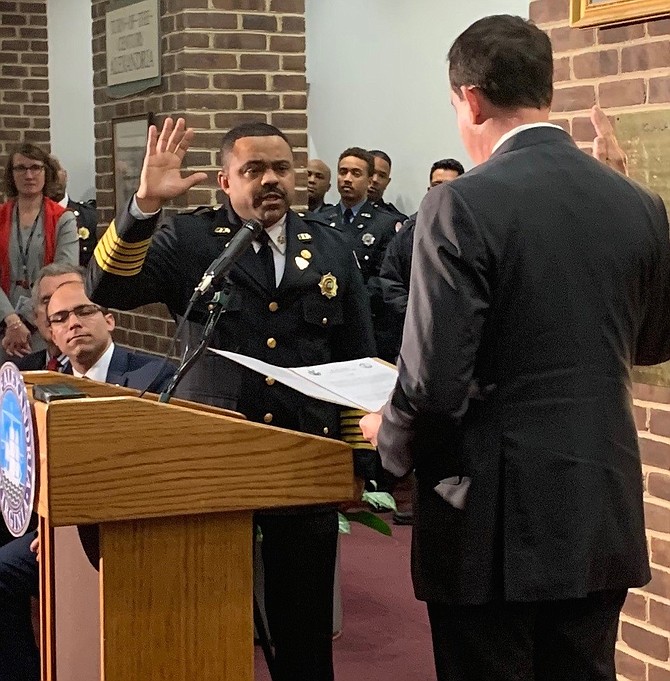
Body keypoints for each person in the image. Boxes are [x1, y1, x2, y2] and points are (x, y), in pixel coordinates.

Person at [360, 14, 670, 681]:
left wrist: (387, 442)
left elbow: (436, 382)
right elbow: (652, 342)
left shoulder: (460, 205)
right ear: (547, 93)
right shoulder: (638, 203)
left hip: (491, 522)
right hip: (598, 506)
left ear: (469, 99)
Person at [87, 118, 375, 681]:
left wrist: (355, 463)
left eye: (280, 169)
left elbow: (355, 359)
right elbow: (106, 288)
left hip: (302, 458)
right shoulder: (192, 240)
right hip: (212, 457)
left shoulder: (332, 249)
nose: (270, 180)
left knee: (305, 631)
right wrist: (143, 204)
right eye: (253, 170)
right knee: (209, 617)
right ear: (224, 180)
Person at [0, 269, 174, 681]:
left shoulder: (156, 377)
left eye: (84, 311)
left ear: (109, 320)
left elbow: (153, 469)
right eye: (60, 319)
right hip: (54, 530)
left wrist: (66, 527)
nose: (73, 323)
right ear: (52, 335)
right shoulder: (44, 384)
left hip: (129, 534)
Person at [371, 158, 465, 527]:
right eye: (433, 184)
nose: (438, 191)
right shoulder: (409, 231)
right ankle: (401, 489)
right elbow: (389, 279)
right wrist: (416, 313)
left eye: (447, 184)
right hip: (409, 336)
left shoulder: (469, 227)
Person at [0, 144, 79, 360]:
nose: (29, 175)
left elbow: (63, 275)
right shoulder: (1, 216)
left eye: (36, 167)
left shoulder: (63, 219)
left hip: (45, 321)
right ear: (11, 174)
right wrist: (10, 320)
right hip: (3, 324)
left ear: (47, 172)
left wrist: (24, 321)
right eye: (21, 168)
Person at [51, 156, 99, 266]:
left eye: (56, 170)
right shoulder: (34, 220)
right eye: (49, 172)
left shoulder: (88, 217)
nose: (54, 178)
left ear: (65, 174)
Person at [367, 150, 407, 220]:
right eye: (371, 172)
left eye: (382, 176)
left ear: (387, 183)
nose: (375, 179)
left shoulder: (395, 220)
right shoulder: (342, 212)